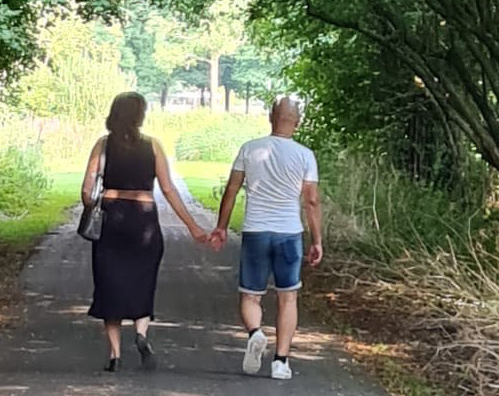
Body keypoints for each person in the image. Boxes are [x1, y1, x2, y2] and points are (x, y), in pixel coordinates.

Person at [81, 92, 208, 372]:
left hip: (112, 219)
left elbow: (87, 189)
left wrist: (93, 205)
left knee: (109, 284)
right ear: (140, 115)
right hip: (144, 220)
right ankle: (141, 333)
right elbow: (168, 189)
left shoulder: (102, 145)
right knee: (142, 280)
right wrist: (192, 225)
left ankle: (114, 354)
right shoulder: (153, 146)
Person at [210, 97, 323, 380]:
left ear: (271, 118)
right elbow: (311, 201)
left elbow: (232, 190)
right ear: (296, 123)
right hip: (289, 234)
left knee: (250, 295)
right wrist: (317, 240)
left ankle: (256, 332)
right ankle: (281, 362)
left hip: (256, 231)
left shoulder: (250, 149)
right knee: (288, 298)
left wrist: (222, 226)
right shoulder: (305, 155)